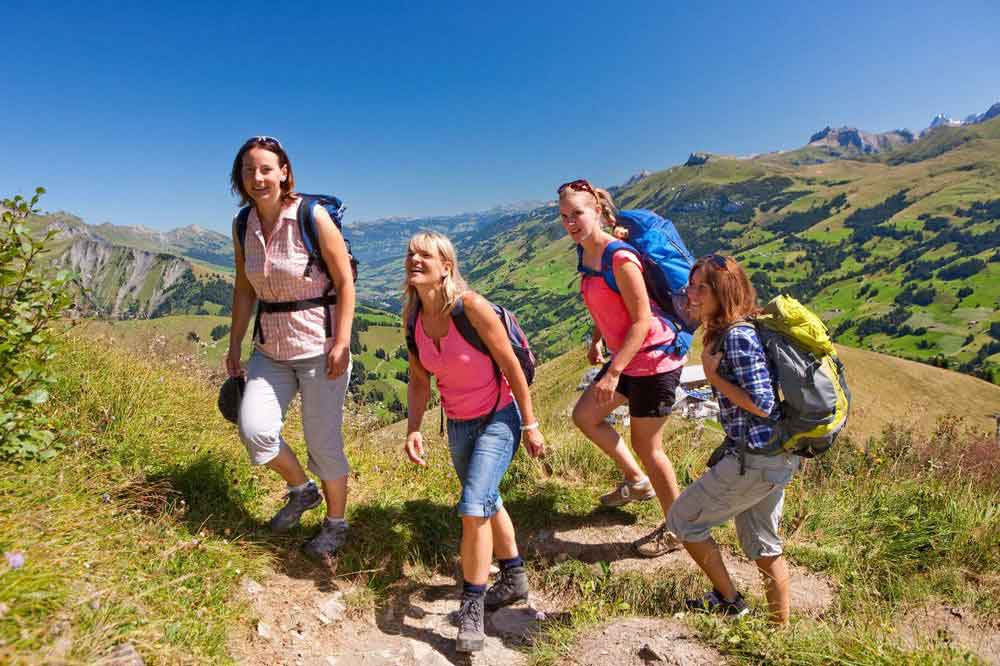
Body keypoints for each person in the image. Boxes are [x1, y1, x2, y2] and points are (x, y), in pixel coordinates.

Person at [402, 231, 546, 654]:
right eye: (411, 253)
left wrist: (532, 423)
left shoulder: (473, 308)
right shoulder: (413, 318)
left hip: (500, 418)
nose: (415, 259)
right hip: (459, 425)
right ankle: (515, 577)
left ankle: (472, 608)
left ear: (446, 266)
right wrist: (413, 428)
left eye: (425, 254)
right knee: (486, 500)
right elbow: (417, 380)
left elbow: (512, 366)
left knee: (472, 506)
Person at [225, 136, 356, 559]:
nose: (257, 177)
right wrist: (234, 344)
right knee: (256, 431)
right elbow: (245, 287)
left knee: (323, 444)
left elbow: (345, 281)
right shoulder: (242, 224)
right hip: (271, 349)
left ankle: (336, 525)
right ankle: (302, 492)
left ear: (284, 172)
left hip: (320, 348)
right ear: (240, 178)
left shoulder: (311, 216)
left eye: (266, 169)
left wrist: (342, 340)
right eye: (249, 170)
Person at [666, 254, 798, 625]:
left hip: (756, 459)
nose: (691, 294)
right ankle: (779, 629)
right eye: (690, 286)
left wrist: (713, 376)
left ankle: (729, 599)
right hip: (773, 455)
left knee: (683, 519)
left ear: (722, 292)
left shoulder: (737, 337)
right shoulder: (741, 329)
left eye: (699, 288)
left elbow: (762, 403)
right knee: (763, 544)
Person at [558, 179, 687, 558]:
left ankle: (678, 528)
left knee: (649, 447)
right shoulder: (588, 254)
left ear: (596, 211)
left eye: (577, 214)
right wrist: (597, 338)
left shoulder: (620, 256)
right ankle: (636, 482)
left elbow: (642, 319)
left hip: (655, 360)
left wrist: (614, 372)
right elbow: (607, 299)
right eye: (564, 216)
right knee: (585, 416)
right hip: (628, 358)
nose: (570, 222)